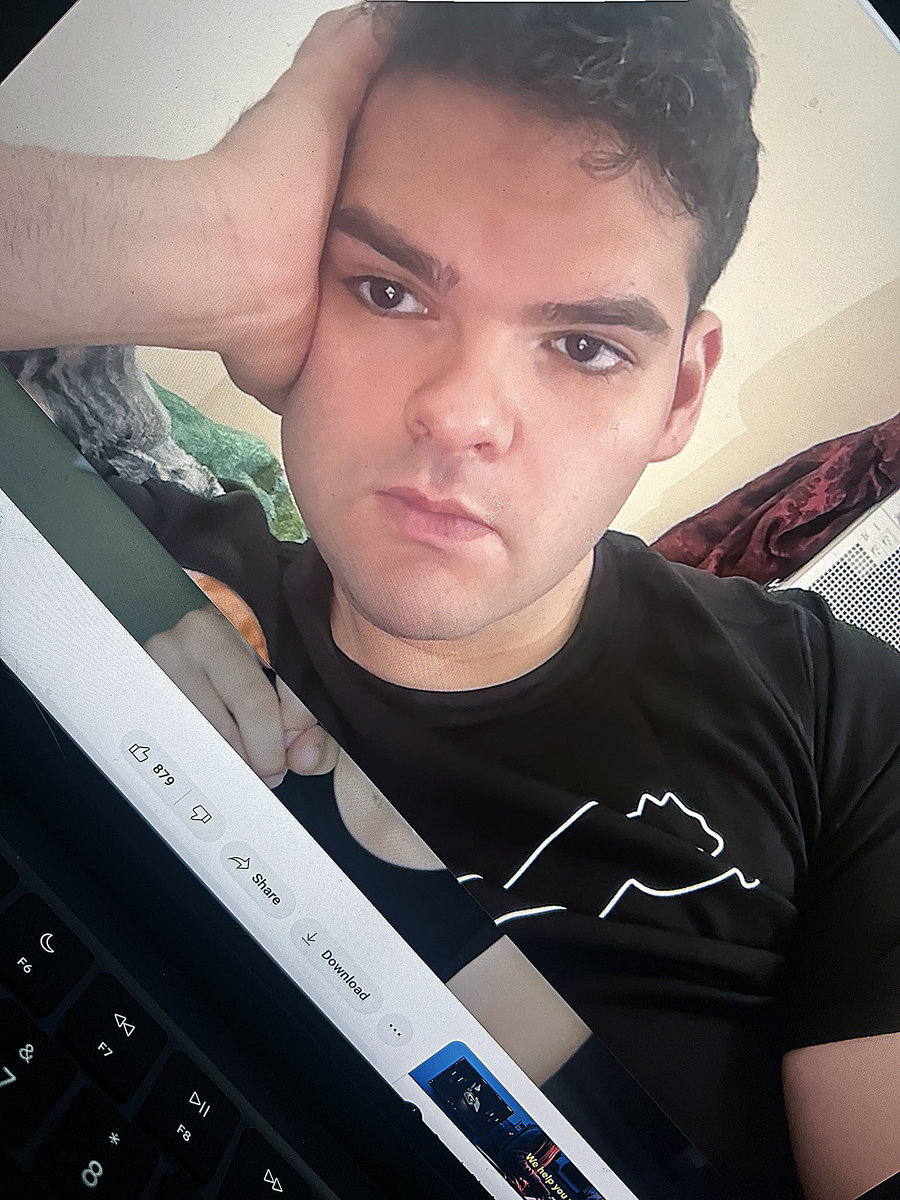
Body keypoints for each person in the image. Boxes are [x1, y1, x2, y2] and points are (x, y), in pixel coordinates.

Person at [2, 4, 899, 1197]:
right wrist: (207, 238)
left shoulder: (846, 720)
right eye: (386, 290)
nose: (461, 415)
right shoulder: (121, 555)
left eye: (584, 347)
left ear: (680, 393)